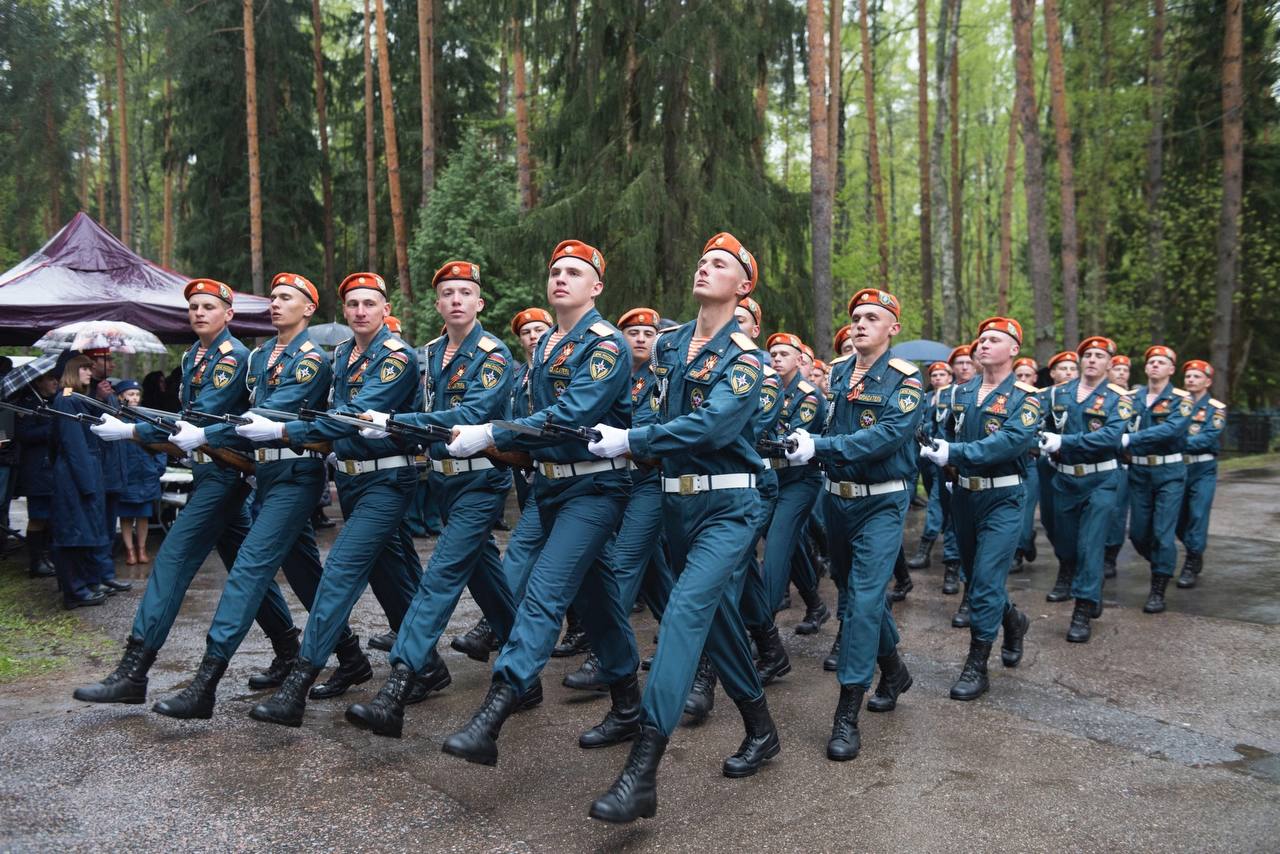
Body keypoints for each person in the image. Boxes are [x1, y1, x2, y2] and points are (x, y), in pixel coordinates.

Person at [585, 232, 780, 823]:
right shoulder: (669, 346)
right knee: (717, 622)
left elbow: (716, 428)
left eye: (720, 264)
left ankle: (642, 771)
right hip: (676, 503)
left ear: (742, 286)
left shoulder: (748, 358)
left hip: (729, 505)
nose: (705, 267)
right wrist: (627, 438)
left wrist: (636, 441)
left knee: (684, 615)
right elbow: (649, 406)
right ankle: (762, 728)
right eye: (702, 260)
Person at [291, 260, 523, 735]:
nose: (456, 300)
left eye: (465, 292)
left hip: (480, 481)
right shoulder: (431, 353)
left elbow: (470, 412)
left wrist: (395, 425)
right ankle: (525, 672)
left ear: (480, 302)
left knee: (439, 578)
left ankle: (397, 684)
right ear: (437, 304)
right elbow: (420, 410)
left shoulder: (492, 351)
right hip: (441, 482)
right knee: (488, 587)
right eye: (447, 293)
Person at [436, 239, 637, 768]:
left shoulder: (606, 344)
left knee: (544, 593)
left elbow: (569, 414)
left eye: (574, 272)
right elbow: (531, 416)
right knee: (598, 602)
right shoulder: (547, 347)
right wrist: (500, 443)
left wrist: (490, 433)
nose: (561, 279)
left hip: (594, 489)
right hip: (550, 487)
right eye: (555, 272)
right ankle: (629, 705)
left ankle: (493, 714)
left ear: (595, 287)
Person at [145, 272, 373, 720]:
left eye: (286, 298)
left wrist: (207, 431)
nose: (275, 304)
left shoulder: (311, 359)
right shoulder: (262, 356)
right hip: (265, 475)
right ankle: (350, 656)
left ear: (308, 308)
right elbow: (240, 412)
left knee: (249, 569)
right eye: (272, 297)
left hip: (295, 471)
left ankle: (206, 682)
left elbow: (264, 413)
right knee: (304, 572)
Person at [75, 278, 300, 706]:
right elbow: (182, 415)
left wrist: (130, 430)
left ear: (228, 315)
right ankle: (290, 650)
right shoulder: (195, 355)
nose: (198, 313)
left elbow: (200, 422)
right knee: (246, 571)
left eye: (208, 307)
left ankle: (134, 670)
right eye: (193, 307)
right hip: (206, 473)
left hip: (222, 474)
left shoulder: (233, 357)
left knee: (173, 562)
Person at [233, 271, 430, 722]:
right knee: (392, 577)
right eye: (353, 304)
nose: (360, 311)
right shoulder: (341, 354)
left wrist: (287, 429)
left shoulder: (396, 355)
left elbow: (350, 416)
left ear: (386, 309)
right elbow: (327, 411)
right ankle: (428, 666)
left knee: (340, 569)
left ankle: (298, 683)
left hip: (388, 480)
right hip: (353, 480)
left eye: (369, 303)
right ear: (344, 311)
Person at [785, 287, 923, 761]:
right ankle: (894, 668)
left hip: (882, 502)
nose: (860, 324)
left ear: (893, 328)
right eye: (856, 317)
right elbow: (834, 427)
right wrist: (806, 438)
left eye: (872, 317)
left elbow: (885, 437)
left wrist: (821, 449)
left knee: (862, 601)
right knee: (851, 590)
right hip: (839, 501)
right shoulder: (841, 372)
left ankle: (847, 712)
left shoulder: (907, 379)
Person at [920, 317, 1038, 701]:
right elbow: (948, 436)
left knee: (984, 582)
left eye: (994, 339)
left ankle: (976, 665)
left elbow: (1010, 442)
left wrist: (954, 453)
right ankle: (1013, 620)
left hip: (1004, 497)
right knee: (978, 578)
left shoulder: (1027, 397)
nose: (983, 344)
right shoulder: (958, 393)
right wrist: (944, 457)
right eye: (981, 339)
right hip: (965, 497)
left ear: (1014, 349)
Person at [1037, 337, 1129, 643]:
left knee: (1091, 545)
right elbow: (1040, 423)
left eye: (1099, 356)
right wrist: (1044, 442)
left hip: (1101, 481)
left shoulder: (1118, 398)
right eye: (1087, 355)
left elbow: (1111, 438)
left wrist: (1065, 443)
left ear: (1109, 363)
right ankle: (1090, 589)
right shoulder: (1058, 393)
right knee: (1066, 544)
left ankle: (1082, 607)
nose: (1091, 360)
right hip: (1064, 480)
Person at [760, 332, 829, 635]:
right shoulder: (767, 389)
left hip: (800, 480)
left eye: (783, 354)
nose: (776, 359)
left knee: (775, 548)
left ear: (800, 360)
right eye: (773, 354)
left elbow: (790, 438)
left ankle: (763, 632)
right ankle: (816, 605)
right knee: (793, 543)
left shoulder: (808, 395)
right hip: (772, 478)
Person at [1124, 345, 1191, 614]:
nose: (1155, 365)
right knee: (1139, 534)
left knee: (1163, 533)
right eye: (1151, 361)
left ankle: (1158, 587)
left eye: (1161, 362)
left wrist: (1131, 439)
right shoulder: (1132, 397)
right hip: (1139, 471)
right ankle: (1163, 564)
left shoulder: (1181, 399)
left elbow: (1172, 430)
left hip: (1169, 473)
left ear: (1171, 369)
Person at [48, 351, 110, 609]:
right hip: (76, 474)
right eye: (84, 368)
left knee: (86, 532)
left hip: (84, 470)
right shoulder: (66, 400)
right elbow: (73, 445)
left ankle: (86, 582)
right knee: (73, 533)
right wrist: (87, 484)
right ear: (73, 371)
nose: (89, 372)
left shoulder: (77, 399)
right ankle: (75, 590)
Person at [1175, 359, 1225, 589]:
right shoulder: (1176, 404)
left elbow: (1207, 437)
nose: (1191, 380)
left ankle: (1192, 560)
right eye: (1188, 377)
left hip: (1202, 469)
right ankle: (1195, 549)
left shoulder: (1216, 408)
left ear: (1208, 381)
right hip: (1178, 467)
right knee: (1177, 519)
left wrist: (1174, 443)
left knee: (1197, 514)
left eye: (1196, 376)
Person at [112, 379, 165, 565]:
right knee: (126, 516)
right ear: (120, 397)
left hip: (146, 475)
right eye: (130, 394)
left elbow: (160, 444)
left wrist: (157, 468)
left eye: (137, 394)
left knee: (143, 516)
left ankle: (142, 549)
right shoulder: (116, 419)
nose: (134, 398)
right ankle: (130, 551)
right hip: (127, 476)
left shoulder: (147, 416)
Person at [1042, 350, 1081, 602]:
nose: (1067, 372)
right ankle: (1067, 560)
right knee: (1052, 521)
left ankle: (1071, 574)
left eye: (1071, 368)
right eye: (1062, 368)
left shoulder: (1085, 396)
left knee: (1085, 529)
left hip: (1080, 466)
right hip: (1049, 466)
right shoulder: (1043, 396)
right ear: (1052, 373)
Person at [906, 360, 952, 570]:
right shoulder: (926, 398)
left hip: (945, 459)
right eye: (934, 375)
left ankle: (926, 548)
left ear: (949, 378)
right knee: (938, 499)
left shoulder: (955, 395)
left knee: (935, 503)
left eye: (942, 375)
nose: (937, 379)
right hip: (925, 457)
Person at [13, 369, 59, 578]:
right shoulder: (28, 403)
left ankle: (47, 557)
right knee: (38, 516)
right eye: (50, 379)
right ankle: (36, 561)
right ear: (38, 381)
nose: (55, 383)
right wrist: (50, 429)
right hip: (36, 469)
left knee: (50, 516)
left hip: (51, 469)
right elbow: (24, 434)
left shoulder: (51, 401)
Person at [1102, 354, 1134, 577]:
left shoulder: (1135, 399)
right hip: (1100, 460)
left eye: (1125, 370)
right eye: (1117, 369)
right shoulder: (1102, 398)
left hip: (1124, 462)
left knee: (1117, 512)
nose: (1121, 373)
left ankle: (1110, 556)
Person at [1011, 357, 1040, 574]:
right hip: (1009, 463)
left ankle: (1021, 548)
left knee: (1027, 513)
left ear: (1035, 377)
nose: (1023, 379)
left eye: (1027, 375)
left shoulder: (1044, 400)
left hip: (1032, 463)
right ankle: (1022, 545)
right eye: (1019, 375)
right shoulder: (1008, 399)